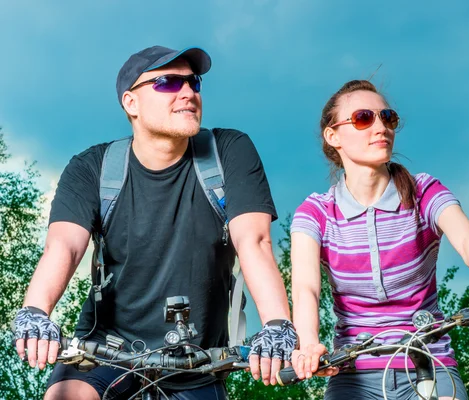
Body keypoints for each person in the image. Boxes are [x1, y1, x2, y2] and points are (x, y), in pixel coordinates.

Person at [12, 45, 297, 400]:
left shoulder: (228, 151)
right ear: (131, 103)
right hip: (105, 350)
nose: (188, 93)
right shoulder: (93, 168)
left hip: (196, 362)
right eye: (167, 83)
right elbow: (64, 247)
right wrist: (35, 311)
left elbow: (253, 241)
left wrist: (276, 325)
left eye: (193, 83)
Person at [288, 79, 469, 400]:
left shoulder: (424, 192)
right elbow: (305, 287)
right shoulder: (316, 212)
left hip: (430, 364)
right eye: (364, 118)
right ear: (333, 135)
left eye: (387, 117)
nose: (380, 127)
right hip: (352, 374)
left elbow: (468, 242)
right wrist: (309, 343)